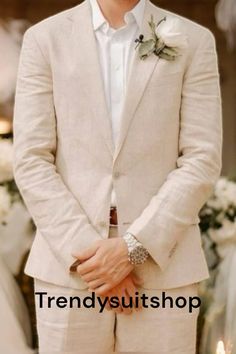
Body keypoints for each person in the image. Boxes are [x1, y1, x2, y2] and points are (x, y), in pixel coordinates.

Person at [13, 0, 222, 352]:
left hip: (163, 267)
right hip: (71, 269)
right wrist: (95, 263)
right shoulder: (44, 39)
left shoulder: (194, 40)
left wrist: (133, 250)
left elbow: (201, 158)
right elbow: (32, 159)